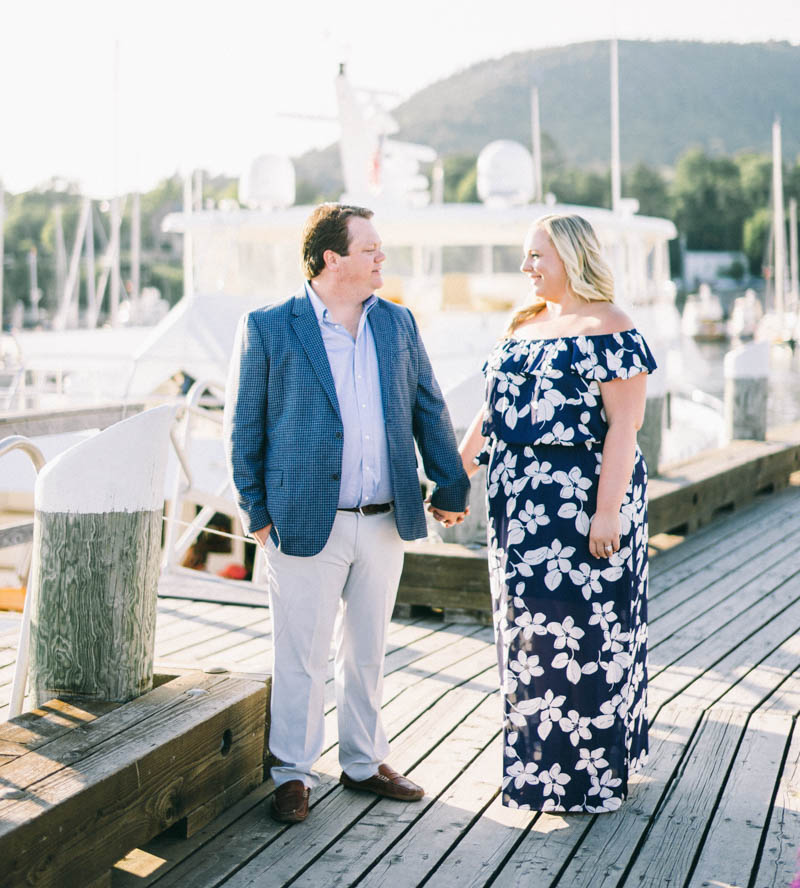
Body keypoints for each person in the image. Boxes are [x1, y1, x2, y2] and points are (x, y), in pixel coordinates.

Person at [224, 202, 470, 824]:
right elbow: (242, 429)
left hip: (385, 518)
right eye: (370, 250)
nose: (381, 258)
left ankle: (364, 763)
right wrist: (256, 514)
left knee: (366, 649)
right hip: (302, 518)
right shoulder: (269, 327)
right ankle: (293, 774)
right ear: (333, 258)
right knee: (300, 653)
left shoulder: (398, 325)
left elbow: (428, 409)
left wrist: (451, 485)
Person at [459, 213, 655, 813]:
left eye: (536, 256)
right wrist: (452, 480)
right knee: (527, 637)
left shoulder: (613, 327)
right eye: (526, 256)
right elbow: (490, 418)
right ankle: (537, 770)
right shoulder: (521, 326)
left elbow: (626, 426)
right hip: (518, 509)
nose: (527, 267)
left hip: (584, 500)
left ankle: (591, 774)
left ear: (570, 256)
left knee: (587, 637)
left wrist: (606, 513)